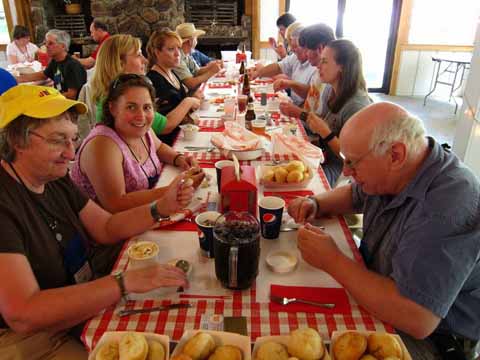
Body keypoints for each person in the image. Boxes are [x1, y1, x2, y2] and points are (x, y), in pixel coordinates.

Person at [0, 84, 192, 359]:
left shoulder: (54, 178)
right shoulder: (5, 202)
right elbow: (23, 313)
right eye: (57, 141)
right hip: (30, 335)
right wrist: (122, 283)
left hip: (78, 293)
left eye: (73, 139)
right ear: (17, 141)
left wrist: (160, 207)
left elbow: (104, 227)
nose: (70, 153)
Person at [288, 102, 480, 359]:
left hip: (433, 338)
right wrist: (317, 202)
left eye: (353, 163)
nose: (346, 172)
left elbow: (417, 317)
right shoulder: (405, 164)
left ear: (395, 155)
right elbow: (356, 193)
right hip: (378, 288)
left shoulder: (449, 204)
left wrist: (332, 260)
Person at [71, 73, 204, 213]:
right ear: (112, 108)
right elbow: (116, 204)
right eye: (131, 107)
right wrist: (175, 189)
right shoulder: (102, 145)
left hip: (143, 214)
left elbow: (159, 147)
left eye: (147, 107)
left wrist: (180, 159)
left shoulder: (141, 129)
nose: (141, 116)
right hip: (109, 228)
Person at [303, 39, 371, 186]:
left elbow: (354, 160)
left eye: (325, 62)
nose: (318, 66)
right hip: (324, 157)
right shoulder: (332, 92)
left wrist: (325, 132)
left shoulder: (356, 105)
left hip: (341, 172)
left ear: (342, 67)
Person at [78, 34, 169, 140]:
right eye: (138, 55)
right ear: (120, 63)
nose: (145, 60)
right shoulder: (117, 98)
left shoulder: (110, 91)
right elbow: (166, 126)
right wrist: (189, 102)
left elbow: (155, 144)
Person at [146, 29, 203, 146]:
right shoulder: (153, 81)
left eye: (179, 48)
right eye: (171, 49)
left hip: (184, 135)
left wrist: (193, 96)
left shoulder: (171, 72)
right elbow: (165, 125)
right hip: (169, 144)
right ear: (157, 52)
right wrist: (189, 101)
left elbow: (176, 104)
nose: (178, 54)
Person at [277, 23, 335, 120]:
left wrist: (298, 113)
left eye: (307, 49)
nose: (305, 54)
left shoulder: (329, 79)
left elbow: (325, 126)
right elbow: (310, 106)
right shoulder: (319, 72)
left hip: (313, 133)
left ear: (320, 49)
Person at [250, 22, 316, 106]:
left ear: (306, 46)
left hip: (300, 108)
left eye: (295, 47)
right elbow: (279, 67)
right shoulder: (295, 57)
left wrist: (290, 83)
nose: (292, 50)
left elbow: (311, 95)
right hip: (292, 102)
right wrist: (258, 73)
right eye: (291, 46)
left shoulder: (315, 66)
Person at [15, 29, 86, 100]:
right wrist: (17, 79)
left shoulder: (72, 65)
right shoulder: (55, 61)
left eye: (51, 43)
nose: (46, 46)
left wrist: (48, 97)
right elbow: (43, 75)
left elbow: (71, 95)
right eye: (46, 43)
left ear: (63, 46)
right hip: (59, 99)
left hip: (70, 105)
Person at [174, 23, 222, 90]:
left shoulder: (187, 53)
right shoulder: (177, 58)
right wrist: (211, 72)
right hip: (187, 95)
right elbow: (190, 83)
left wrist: (210, 67)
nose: (197, 41)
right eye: (196, 38)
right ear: (190, 41)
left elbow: (197, 71)